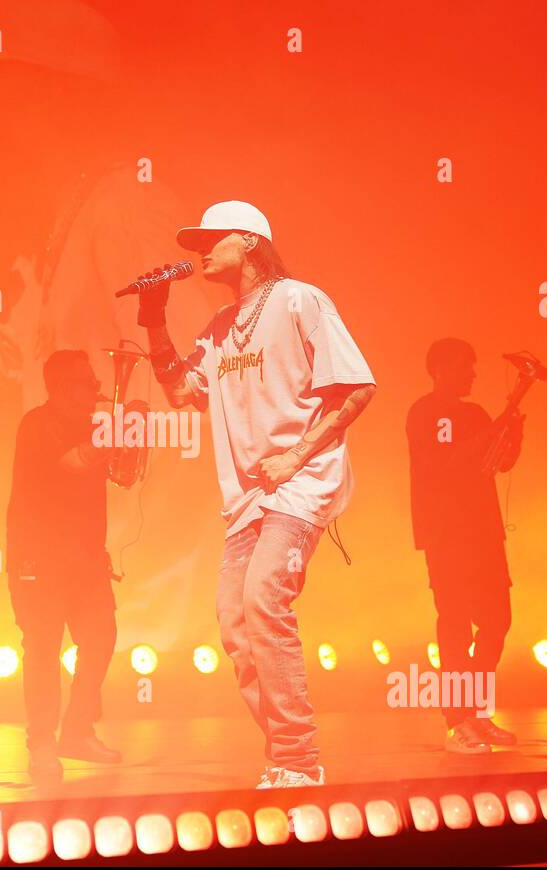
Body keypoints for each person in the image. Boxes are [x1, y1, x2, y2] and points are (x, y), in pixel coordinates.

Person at [138, 200, 377, 789]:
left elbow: (357, 388)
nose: (199, 251)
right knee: (235, 623)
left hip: (301, 482)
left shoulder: (301, 300)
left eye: (210, 240)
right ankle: (283, 757)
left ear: (249, 241)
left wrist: (296, 455)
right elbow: (178, 392)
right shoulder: (219, 330)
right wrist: (152, 319)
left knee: (265, 601)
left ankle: (297, 758)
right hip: (246, 499)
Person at [6, 350, 123, 783]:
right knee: (42, 647)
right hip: (38, 558)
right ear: (61, 387)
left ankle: (76, 731)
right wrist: (116, 436)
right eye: (86, 383)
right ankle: (41, 743)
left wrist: (125, 448)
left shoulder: (93, 426)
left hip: (86, 558)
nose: (95, 389)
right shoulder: (37, 424)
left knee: (101, 638)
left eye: (94, 382)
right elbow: (71, 463)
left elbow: (124, 476)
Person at [406, 339, 522, 754]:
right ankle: (459, 720)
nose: (473, 374)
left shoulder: (475, 413)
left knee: (497, 621)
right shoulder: (424, 413)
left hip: (484, 531)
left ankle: (472, 709)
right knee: (455, 624)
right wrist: (495, 428)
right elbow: (447, 462)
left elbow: (499, 462)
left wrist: (512, 434)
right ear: (439, 368)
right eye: (464, 367)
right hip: (446, 533)